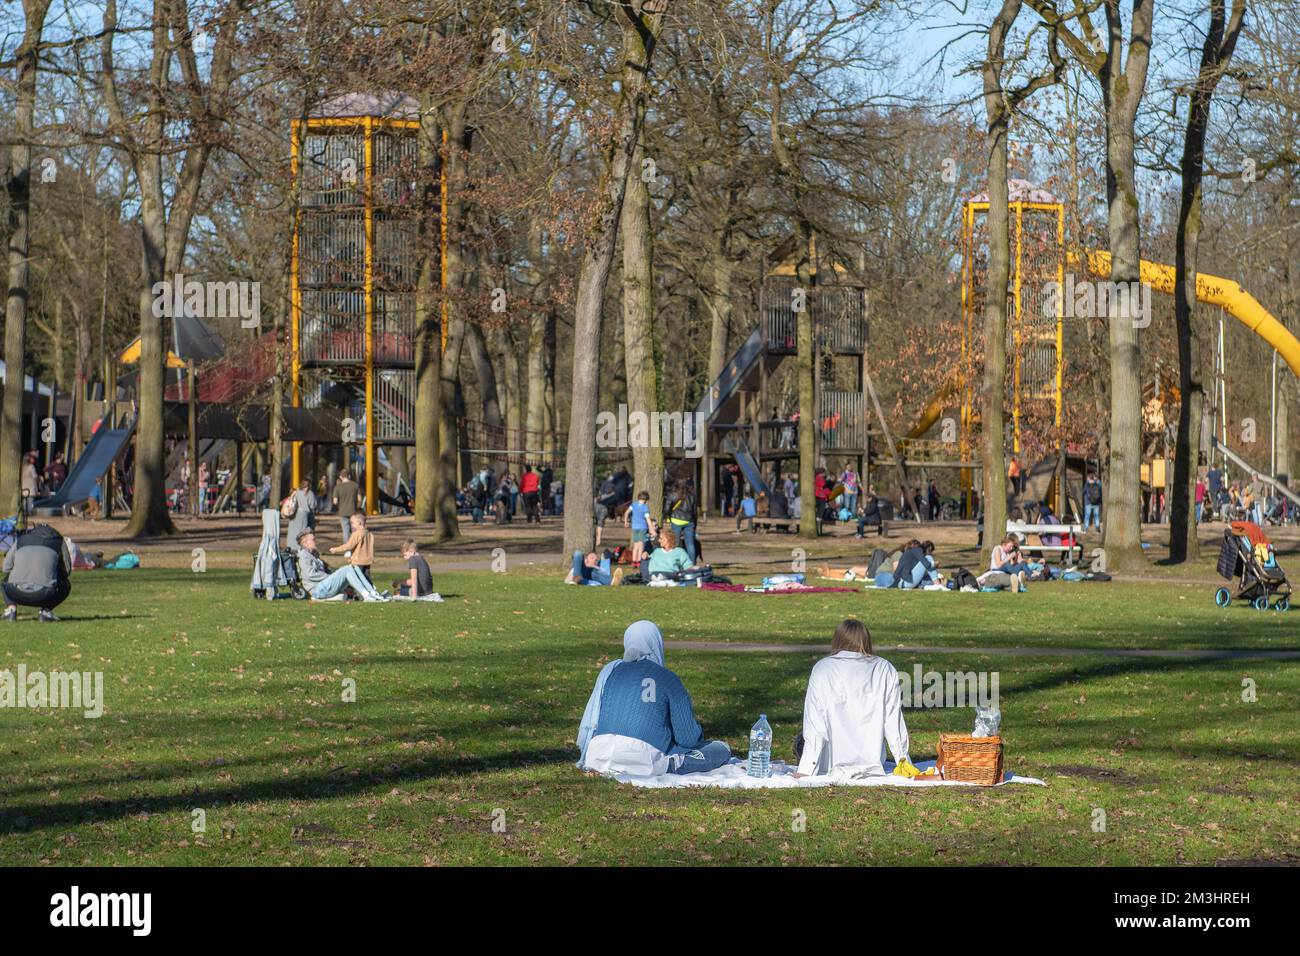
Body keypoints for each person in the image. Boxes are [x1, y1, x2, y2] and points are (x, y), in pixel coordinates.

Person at [576, 620, 731, 776]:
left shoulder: (610, 673)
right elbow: (688, 739)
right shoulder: (668, 678)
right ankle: (672, 764)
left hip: (597, 755)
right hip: (643, 761)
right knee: (720, 749)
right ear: (657, 643)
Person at [791, 619, 910, 779]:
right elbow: (893, 722)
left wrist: (806, 768)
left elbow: (815, 723)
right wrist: (904, 762)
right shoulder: (884, 668)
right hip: (872, 763)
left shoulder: (823, 668)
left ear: (837, 640)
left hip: (830, 763)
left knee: (800, 741)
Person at [3, 523, 72, 622]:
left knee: (5, 581)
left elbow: (6, 568)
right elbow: (67, 570)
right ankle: (45, 612)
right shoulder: (59, 541)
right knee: (66, 584)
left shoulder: (21, 540)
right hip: (44, 593)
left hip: (15, 592)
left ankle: (11, 610)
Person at [296, 530, 387, 602]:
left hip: (324, 587)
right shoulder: (303, 556)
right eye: (313, 540)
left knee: (353, 567)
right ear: (305, 543)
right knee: (347, 569)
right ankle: (366, 595)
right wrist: (330, 577)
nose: (316, 541)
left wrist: (334, 577)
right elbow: (310, 574)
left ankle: (371, 591)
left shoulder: (313, 555)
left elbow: (327, 570)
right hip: (317, 589)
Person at [330, 512, 375, 582]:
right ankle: (371, 591)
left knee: (358, 580)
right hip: (367, 561)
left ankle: (360, 592)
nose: (351, 525)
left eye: (352, 522)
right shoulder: (369, 533)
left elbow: (349, 545)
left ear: (359, 523)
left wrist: (336, 549)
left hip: (358, 561)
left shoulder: (357, 534)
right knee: (367, 579)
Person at [665, 480, 697, 562]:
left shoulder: (672, 495)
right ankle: (691, 563)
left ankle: (677, 561)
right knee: (690, 544)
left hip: (676, 520)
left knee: (675, 543)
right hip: (689, 521)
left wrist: (668, 516)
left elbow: (667, 508)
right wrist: (694, 523)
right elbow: (695, 511)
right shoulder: (691, 496)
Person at [624, 490, 654, 563]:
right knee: (640, 545)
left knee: (635, 545)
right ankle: (639, 561)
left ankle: (634, 561)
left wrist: (626, 521)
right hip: (642, 527)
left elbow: (626, 512)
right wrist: (651, 529)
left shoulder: (634, 504)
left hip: (634, 527)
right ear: (646, 499)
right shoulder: (645, 507)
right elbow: (648, 519)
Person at [331, 469, 359, 541]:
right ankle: (355, 548)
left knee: (345, 531)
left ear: (340, 477)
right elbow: (359, 499)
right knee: (354, 530)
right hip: (353, 511)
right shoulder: (355, 485)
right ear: (349, 476)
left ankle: (347, 550)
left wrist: (340, 506)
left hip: (343, 512)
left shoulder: (337, 487)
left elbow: (335, 501)